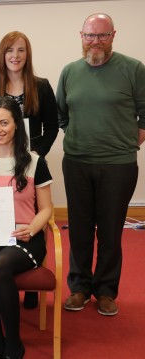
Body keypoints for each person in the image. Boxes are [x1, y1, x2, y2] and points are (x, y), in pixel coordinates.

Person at [57, 13, 145, 316]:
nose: (96, 42)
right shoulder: (70, 71)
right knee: (80, 229)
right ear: (81, 36)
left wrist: (129, 143)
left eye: (102, 35)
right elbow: (62, 114)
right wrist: (78, 136)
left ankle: (106, 291)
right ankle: (79, 288)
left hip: (119, 165)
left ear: (113, 36)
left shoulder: (133, 69)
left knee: (110, 231)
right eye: (90, 35)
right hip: (77, 162)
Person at [0, 96, 53, 359]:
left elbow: (47, 209)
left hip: (25, 237)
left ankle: (14, 342)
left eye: (4, 122)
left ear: (17, 125)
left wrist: (32, 228)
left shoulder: (35, 162)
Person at [0, 31, 58, 309]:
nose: (15, 56)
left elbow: (52, 126)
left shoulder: (41, 85)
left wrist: (35, 157)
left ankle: (27, 272)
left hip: (29, 162)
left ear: (28, 54)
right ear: (2, 54)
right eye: (10, 50)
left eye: (21, 50)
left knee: (29, 212)